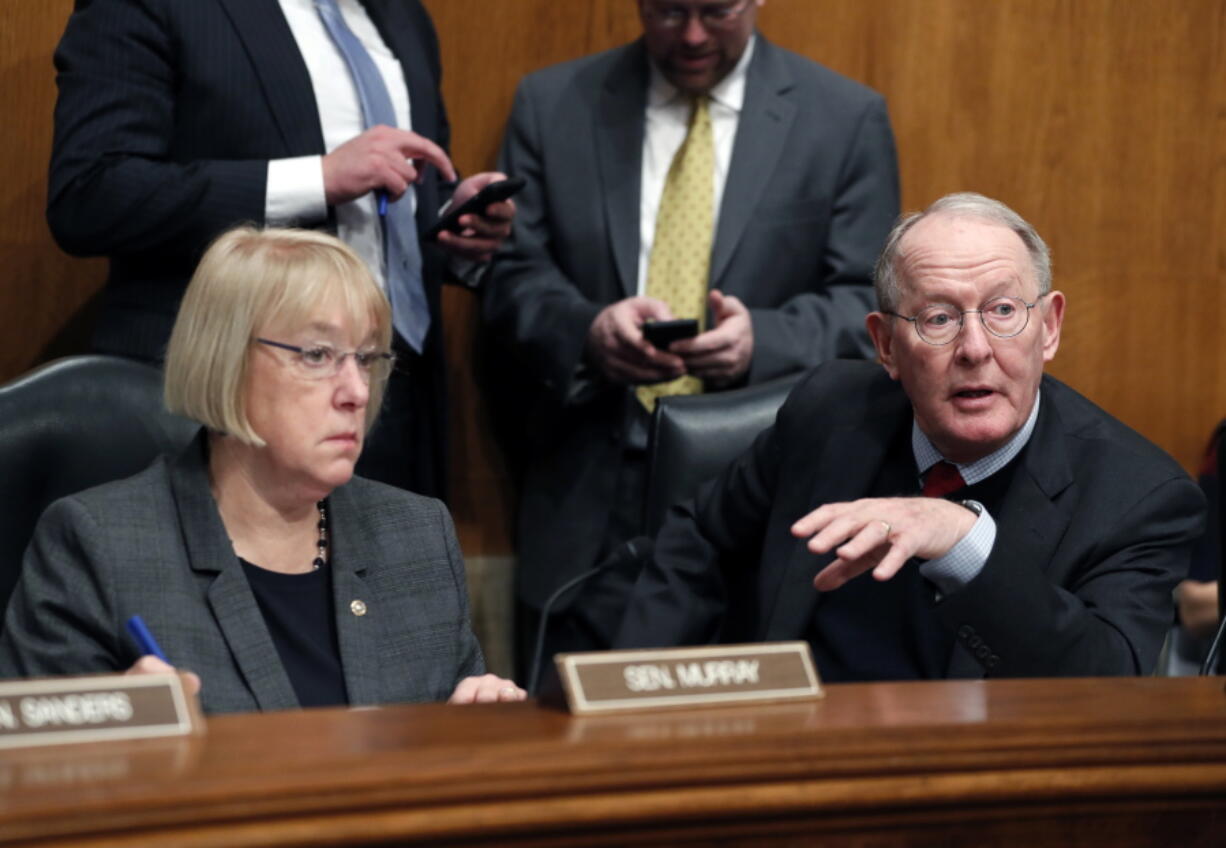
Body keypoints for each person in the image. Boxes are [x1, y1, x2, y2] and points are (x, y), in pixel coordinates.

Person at [615, 192, 1205, 679]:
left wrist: (964, 543)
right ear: (886, 345)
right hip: (791, 769)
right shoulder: (829, 411)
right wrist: (617, 696)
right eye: (939, 319)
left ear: (1048, 328)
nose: (975, 350)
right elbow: (698, 540)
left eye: (1003, 311)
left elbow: (1110, 684)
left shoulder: (1138, 495)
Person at [483, 0, 900, 672]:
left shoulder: (842, 118)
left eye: (716, 9)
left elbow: (870, 301)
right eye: (670, 11)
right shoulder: (553, 103)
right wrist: (589, 332)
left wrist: (760, 342)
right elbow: (510, 277)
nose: (695, 34)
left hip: (758, 492)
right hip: (590, 496)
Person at [0, 227, 524, 713]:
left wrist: (476, 723)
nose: (358, 392)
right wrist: (117, 733)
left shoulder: (415, 534)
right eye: (318, 354)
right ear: (224, 359)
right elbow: (30, 777)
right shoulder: (98, 545)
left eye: (365, 358)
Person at [46, 0, 514, 499]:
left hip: (393, 393)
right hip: (229, 408)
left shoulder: (404, 16)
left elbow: (396, 203)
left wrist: (454, 222)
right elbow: (91, 193)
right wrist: (319, 178)